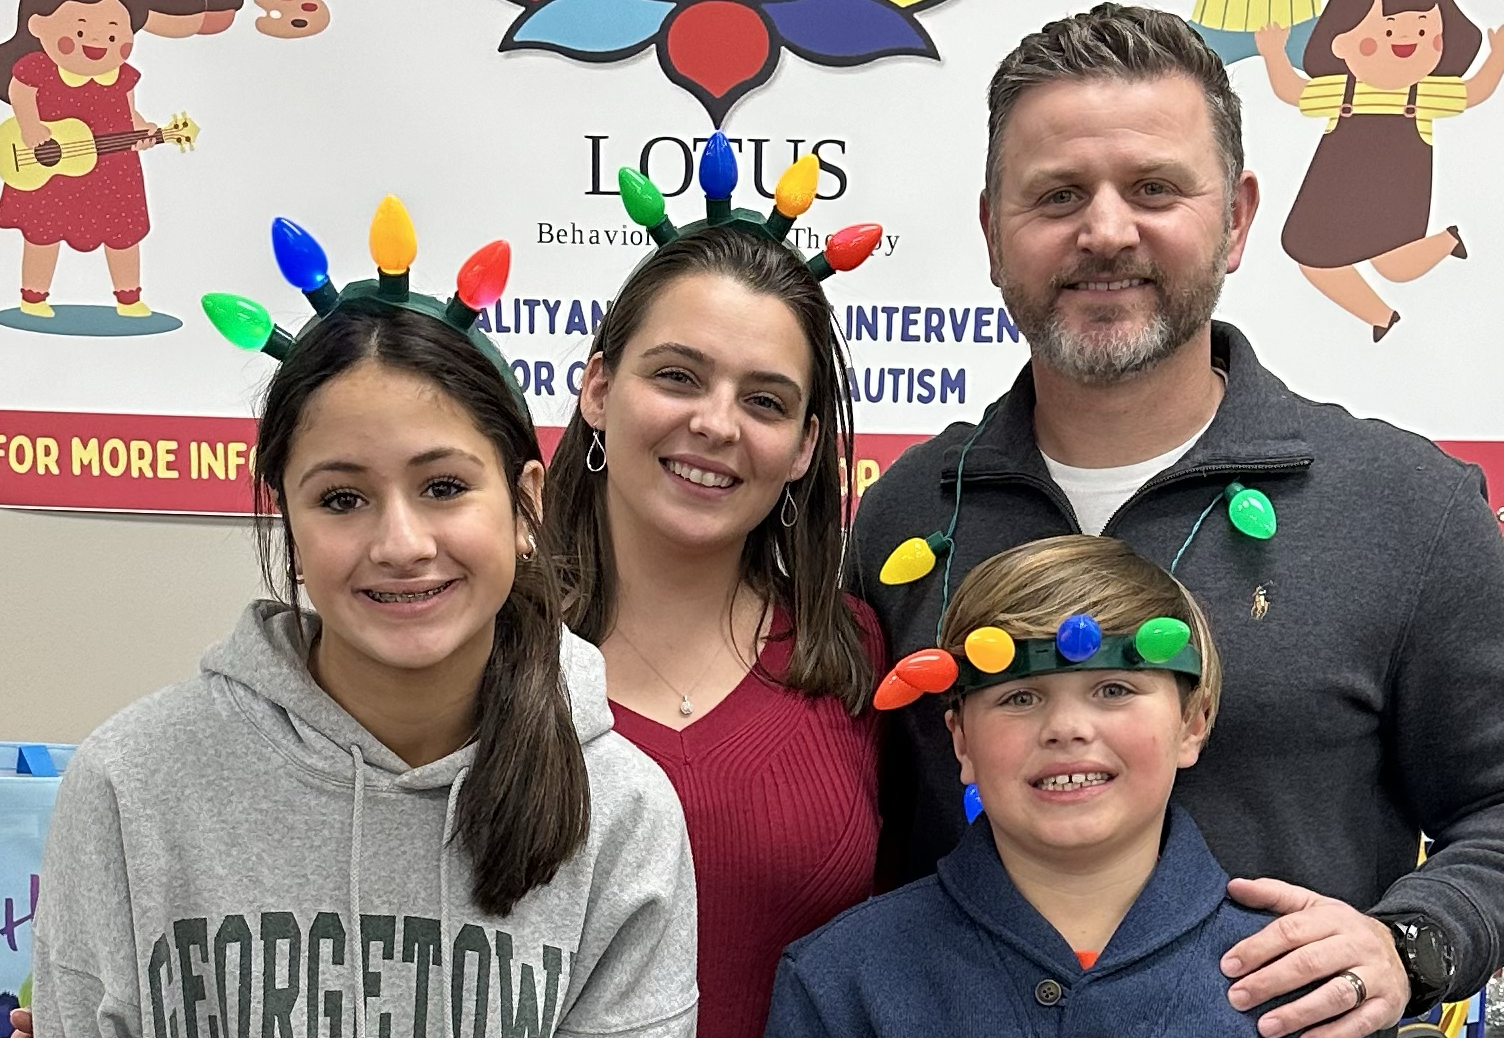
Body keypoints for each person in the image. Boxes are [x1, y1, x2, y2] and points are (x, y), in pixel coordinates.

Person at [852, 6, 1504, 1037]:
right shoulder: (902, 517)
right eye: (1056, 195)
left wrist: (1410, 942)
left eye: (1153, 189)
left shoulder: (1406, 507)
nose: (1105, 230)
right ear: (990, 232)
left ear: (1238, 218)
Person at [21, 227, 699, 1036]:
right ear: (290, 523)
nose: (402, 544)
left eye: (444, 486)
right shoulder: (131, 785)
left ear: (525, 504)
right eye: (342, 498)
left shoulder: (621, 810)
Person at [544, 217, 882, 1038]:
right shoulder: (483, 652)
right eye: (678, 376)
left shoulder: (858, 653)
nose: (717, 424)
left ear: (804, 448)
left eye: (764, 401)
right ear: (597, 390)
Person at [767, 535, 1305, 1035]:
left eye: (1114, 689)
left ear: (1193, 723)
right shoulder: (840, 979)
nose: (1067, 729)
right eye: (1020, 697)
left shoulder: (1299, 973)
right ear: (961, 742)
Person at [1255, 0, 1504, 338]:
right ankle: (1382, 316)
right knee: (1310, 258)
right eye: (1387, 31)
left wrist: (1498, 54)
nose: (1408, 40)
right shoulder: (1342, 89)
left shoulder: (1426, 93)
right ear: (1341, 43)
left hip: (1397, 196)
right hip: (1335, 194)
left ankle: (1447, 241)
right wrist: (1273, 54)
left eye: (1423, 30)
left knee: (1395, 267)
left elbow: (1475, 91)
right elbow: (1292, 91)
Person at [0, 0, 160, 318]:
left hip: (113, 172)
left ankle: (129, 298)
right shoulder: (37, 68)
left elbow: (130, 114)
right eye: (82, 29)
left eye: (114, 35)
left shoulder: (123, 77)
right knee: (42, 232)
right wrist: (31, 126)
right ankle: (33, 297)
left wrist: (144, 131)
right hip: (49, 168)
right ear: (38, 26)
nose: (99, 41)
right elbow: (20, 94)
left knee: (122, 233)